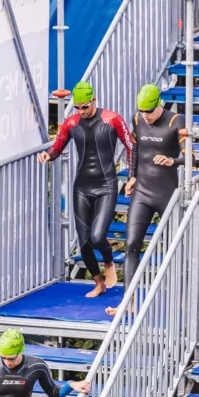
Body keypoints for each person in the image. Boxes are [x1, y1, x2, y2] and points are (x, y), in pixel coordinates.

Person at [38, 81, 133, 299]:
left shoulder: (112, 119)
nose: (81, 112)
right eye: (78, 108)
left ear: (94, 101)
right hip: (82, 187)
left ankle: (109, 262)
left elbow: (131, 146)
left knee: (98, 236)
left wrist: (131, 176)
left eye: (85, 107)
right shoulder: (72, 123)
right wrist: (48, 155)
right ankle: (98, 282)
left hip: (106, 186)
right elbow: (58, 146)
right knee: (83, 243)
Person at [120, 84, 183, 291]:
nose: (145, 116)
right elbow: (135, 149)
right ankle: (129, 300)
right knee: (131, 246)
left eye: (149, 111)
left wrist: (171, 161)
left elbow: (191, 157)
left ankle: (182, 293)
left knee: (177, 247)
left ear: (159, 104)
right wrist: (132, 176)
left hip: (167, 193)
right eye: (142, 111)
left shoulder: (175, 121)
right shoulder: (137, 119)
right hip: (143, 192)